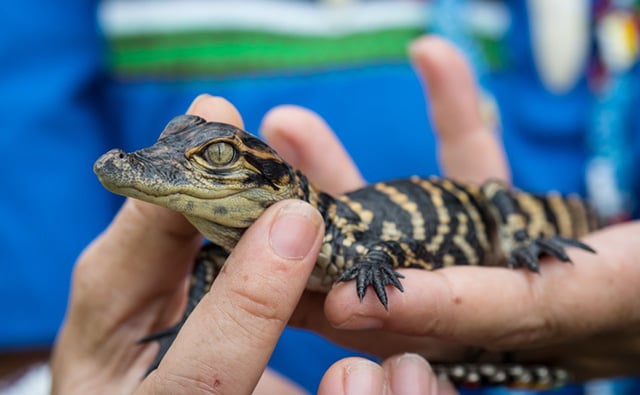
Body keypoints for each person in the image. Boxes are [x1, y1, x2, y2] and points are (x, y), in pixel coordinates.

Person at [51, 36, 640, 393]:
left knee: (498, 206)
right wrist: (181, 329)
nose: (154, 165)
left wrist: (383, 259)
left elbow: (405, 250)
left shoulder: (347, 245)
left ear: (274, 184)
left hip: (484, 214)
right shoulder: (228, 243)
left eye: (218, 157)